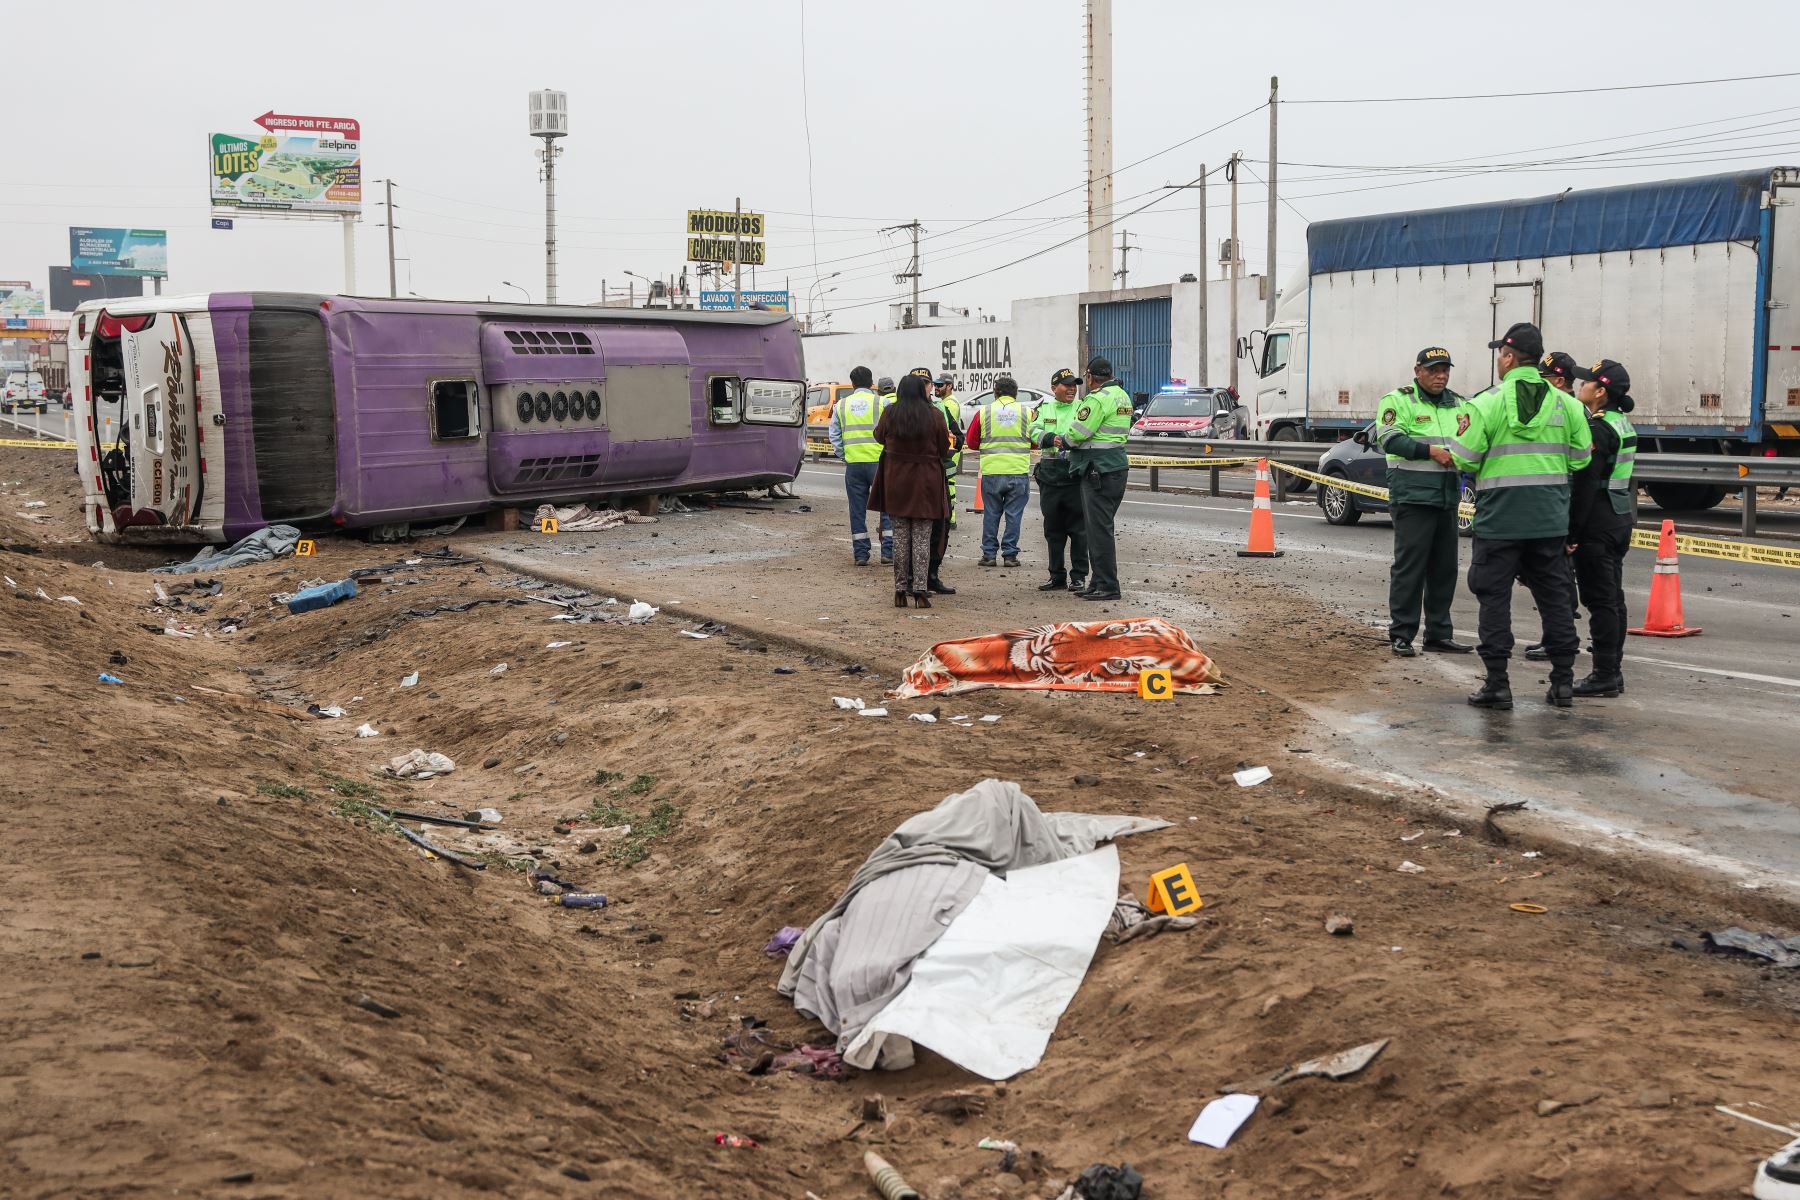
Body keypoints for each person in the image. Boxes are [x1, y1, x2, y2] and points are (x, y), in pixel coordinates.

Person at [1448, 322, 1593, 709]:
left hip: (1500, 520)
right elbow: (1581, 458)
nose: (1499, 359)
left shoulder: (1485, 402)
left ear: (1510, 357)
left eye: (1501, 353)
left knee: (1494, 598)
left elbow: (1465, 457)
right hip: (1549, 519)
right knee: (1555, 598)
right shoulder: (1569, 404)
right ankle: (1562, 683)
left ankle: (1498, 685)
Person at [1375, 347, 1473, 657]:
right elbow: (1389, 438)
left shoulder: (1459, 404)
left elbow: (1471, 442)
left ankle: (1439, 634)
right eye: (1433, 370)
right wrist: (1430, 452)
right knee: (1410, 568)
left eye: (1445, 369)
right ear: (1418, 371)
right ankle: (1402, 634)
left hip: (1446, 498)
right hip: (1413, 496)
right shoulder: (1399, 400)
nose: (1440, 375)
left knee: (1444, 570)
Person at [1565, 359, 1638, 698]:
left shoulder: (1597, 429)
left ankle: (1604, 674)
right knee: (1614, 600)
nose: (1580, 387)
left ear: (1600, 392)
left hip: (1597, 522)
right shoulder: (1622, 423)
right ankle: (1614, 671)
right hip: (1620, 516)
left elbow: (1585, 485)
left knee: (1600, 601)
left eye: (1587, 383)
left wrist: (1572, 533)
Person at [870, 374, 952, 608]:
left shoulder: (890, 413)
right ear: (921, 391)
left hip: (896, 481)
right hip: (926, 482)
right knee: (922, 538)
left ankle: (899, 590)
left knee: (900, 538)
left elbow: (879, 437)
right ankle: (920, 591)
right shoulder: (934, 414)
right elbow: (944, 446)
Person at [1060, 356, 1133, 601]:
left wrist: (1064, 439)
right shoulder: (1122, 395)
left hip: (1098, 471)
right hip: (1114, 468)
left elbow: (1078, 433)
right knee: (1098, 529)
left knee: (1099, 531)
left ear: (1090, 376)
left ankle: (1108, 585)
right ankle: (1098, 581)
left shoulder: (1097, 399)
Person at [1524, 351, 1582, 662]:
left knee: (1557, 577)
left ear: (1558, 381)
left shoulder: (1570, 411)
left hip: (1564, 504)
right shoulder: (1570, 410)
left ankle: (1561, 639)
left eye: (1543, 379)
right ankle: (1559, 636)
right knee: (1555, 576)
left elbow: (1579, 467)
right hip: (1560, 504)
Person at [1031, 367, 1090, 591]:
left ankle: (1079, 577)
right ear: (1054, 387)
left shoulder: (1084, 407)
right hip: (1050, 476)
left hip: (1075, 475)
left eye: (1074, 385)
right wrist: (1049, 438)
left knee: (1079, 531)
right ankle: (1056, 576)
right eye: (1067, 385)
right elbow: (1032, 431)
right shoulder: (1043, 407)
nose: (1072, 389)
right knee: (1053, 530)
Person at [966, 375, 1033, 567]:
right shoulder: (1026, 412)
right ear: (1015, 393)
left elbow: (971, 441)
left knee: (991, 513)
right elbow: (1035, 440)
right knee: (1014, 515)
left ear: (995, 392)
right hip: (1018, 471)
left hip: (992, 471)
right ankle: (1010, 555)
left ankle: (989, 555)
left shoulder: (984, 412)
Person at [829, 366, 892, 566]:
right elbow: (893, 432)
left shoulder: (841, 405)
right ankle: (888, 552)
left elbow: (834, 436)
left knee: (857, 510)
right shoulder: (883, 402)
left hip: (854, 465)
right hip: (880, 464)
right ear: (872, 383)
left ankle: (861, 554)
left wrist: (845, 456)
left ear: (853, 384)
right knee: (887, 507)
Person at [912, 368, 962, 594]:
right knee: (913, 531)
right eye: (920, 382)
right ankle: (913, 578)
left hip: (938, 474)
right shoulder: (902, 409)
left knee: (940, 528)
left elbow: (958, 435)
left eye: (927, 383)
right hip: (911, 479)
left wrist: (954, 444)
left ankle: (932, 575)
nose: (925, 387)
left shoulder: (940, 407)